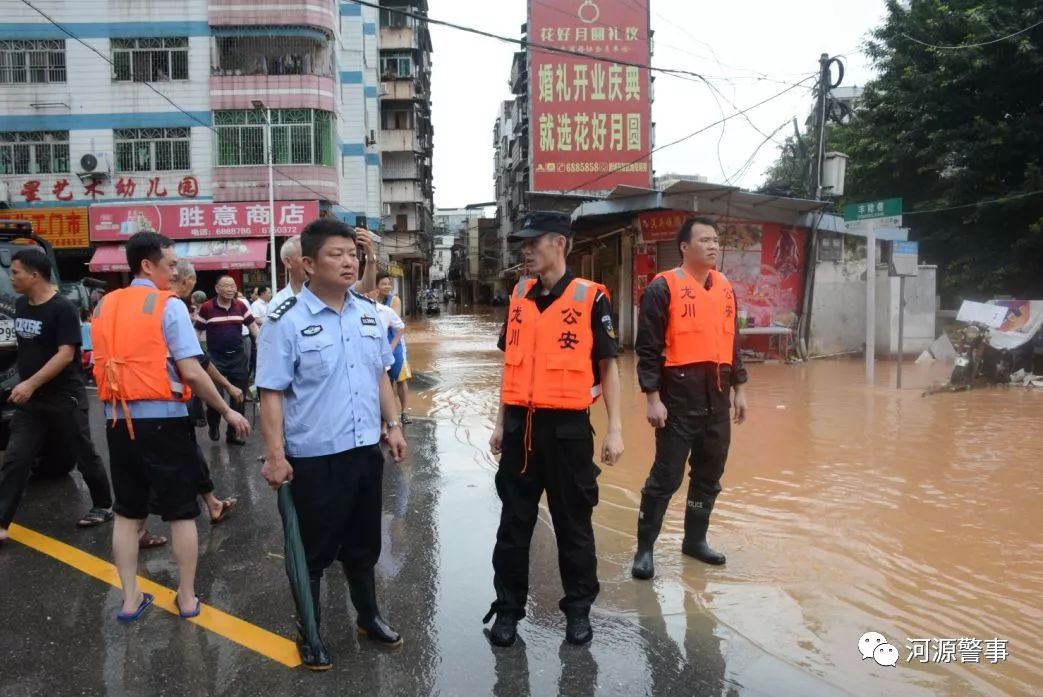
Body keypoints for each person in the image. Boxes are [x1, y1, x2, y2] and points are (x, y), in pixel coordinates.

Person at [257, 218, 408, 670]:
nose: (348, 262)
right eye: (335, 255)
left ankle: (369, 616)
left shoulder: (367, 312)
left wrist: (394, 424)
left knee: (364, 544)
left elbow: (379, 373)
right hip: (315, 457)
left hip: (364, 451)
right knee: (314, 551)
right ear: (307, 263)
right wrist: (276, 455)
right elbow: (270, 393)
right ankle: (310, 629)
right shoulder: (284, 321)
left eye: (352, 255)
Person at [91, 232, 250, 622]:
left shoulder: (105, 305)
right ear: (147, 265)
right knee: (181, 514)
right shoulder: (168, 305)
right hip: (163, 421)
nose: (175, 270)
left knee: (128, 514)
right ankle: (187, 598)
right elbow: (192, 372)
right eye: (170, 263)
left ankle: (130, 600)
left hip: (117, 421)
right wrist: (227, 410)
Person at [483, 212, 624, 648]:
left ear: (559, 243)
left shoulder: (589, 297)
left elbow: (608, 366)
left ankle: (578, 612)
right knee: (513, 528)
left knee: (574, 528)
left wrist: (615, 428)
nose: (525, 251)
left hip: (568, 431)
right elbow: (512, 365)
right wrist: (498, 421)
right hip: (521, 429)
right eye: (522, 243)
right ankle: (507, 611)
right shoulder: (520, 294)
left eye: (533, 242)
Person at [631, 217, 749, 580]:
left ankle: (694, 541)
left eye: (716, 240)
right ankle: (645, 548)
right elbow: (647, 348)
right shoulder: (662, 288)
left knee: (709, 475)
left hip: (717, 398)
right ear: (684, 247)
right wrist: (652, 397)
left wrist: (740, 388)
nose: (713, 246)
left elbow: (732, 340)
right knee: (665, 477)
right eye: (704, 240)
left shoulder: (725, 287)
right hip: (677, 400)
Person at [0, 249, 115, 546]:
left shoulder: (62, 308)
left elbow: (65, 355)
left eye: (15, 272)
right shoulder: (22, 305)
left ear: (34, 275)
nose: (12, 277)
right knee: (16, 457)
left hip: (64, 397)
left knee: (83, 453)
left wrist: (30, 384)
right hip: (32, 401)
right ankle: (1, 523)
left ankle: (103, 504)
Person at [174, 259, 241, 524]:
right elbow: (195, 362)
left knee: (187, 453)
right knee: (183, 455)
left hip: (123, 406)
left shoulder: (116, 304)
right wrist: (225, 402)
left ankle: (211, 502)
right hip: (165, 402)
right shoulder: (173, 307)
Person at [195, 277, 257, 445]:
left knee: (239, 396)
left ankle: (233, 434)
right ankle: (214, 424)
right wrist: (196, 354)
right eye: (226, 286)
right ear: (217, 288)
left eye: (233, 286)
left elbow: (253, 327)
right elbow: (197, 332)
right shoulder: (207, 307)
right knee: (215, 395)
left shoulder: (241, 305)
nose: (230, 289)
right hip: (215, 359)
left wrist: (261, 342)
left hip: (238, 357)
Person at [373, 272, 412, 423]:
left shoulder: (394, 300)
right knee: (385, 379)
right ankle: (388, 415)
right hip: (379, 343)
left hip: (395, 343)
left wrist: (392, 346)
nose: (387, 286)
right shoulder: (370, 299)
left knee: (401, 379)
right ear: (376, 285)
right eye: (383, 284)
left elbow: (393, 321)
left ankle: (404, 411)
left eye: (389, 283)